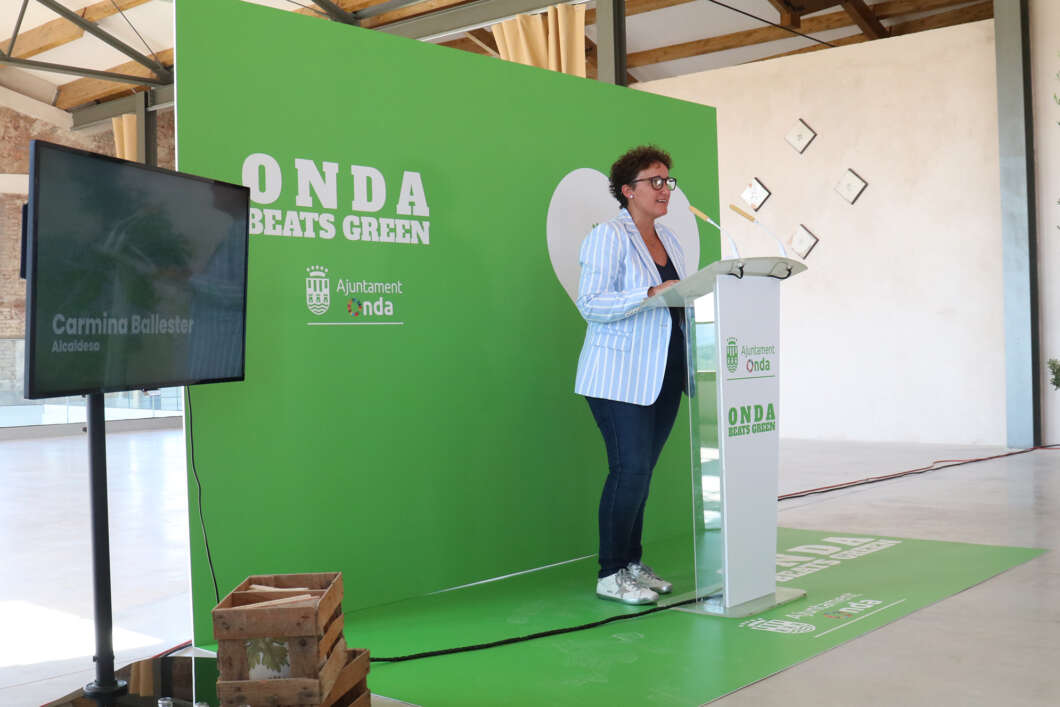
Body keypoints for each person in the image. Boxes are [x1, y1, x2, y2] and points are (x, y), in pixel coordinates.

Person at [574, 145, 687, 605]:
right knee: (630, 469)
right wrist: (650, 292)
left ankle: (632, 564)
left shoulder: (670, 240)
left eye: (668, 181)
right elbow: (590, 303)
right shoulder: (609, 236)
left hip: (665, 374)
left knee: (642, 473)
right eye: (654, 181)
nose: (664, 189)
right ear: (627, 190)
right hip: (619, 375)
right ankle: (610, 572)